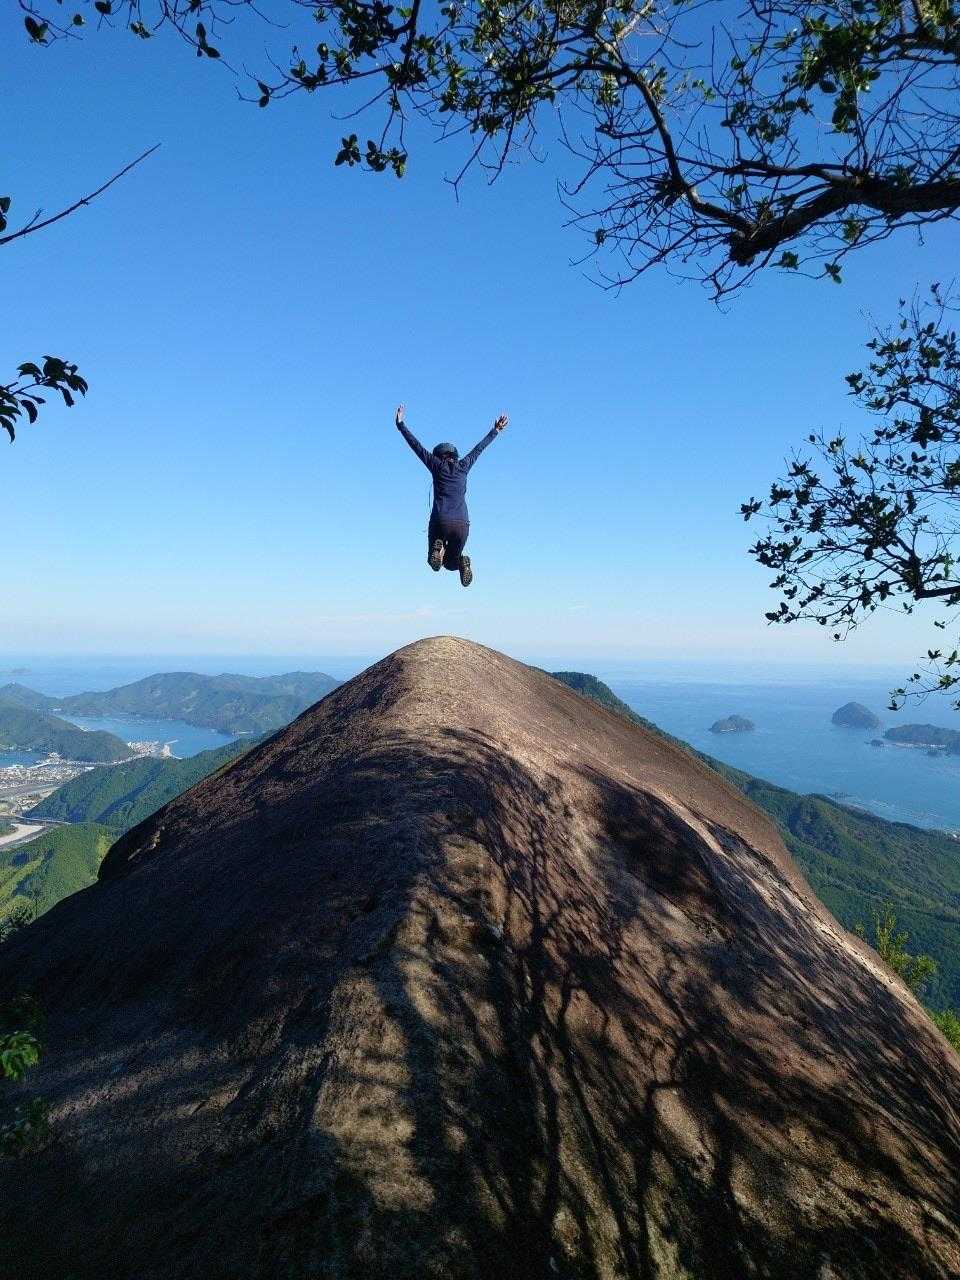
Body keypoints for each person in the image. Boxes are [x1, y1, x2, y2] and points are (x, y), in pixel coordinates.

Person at [395, 404, 507, 586]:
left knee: (434, 563)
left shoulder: (436, 465)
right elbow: (479, 449)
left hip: (441, 521)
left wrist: (401, 425)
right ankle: (461, 562)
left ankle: (438, 549)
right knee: (450, 564)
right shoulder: (464, 465)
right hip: (462, 524)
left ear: (439, 456)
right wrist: (495, 430)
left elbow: (416, 446)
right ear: (455, 455)